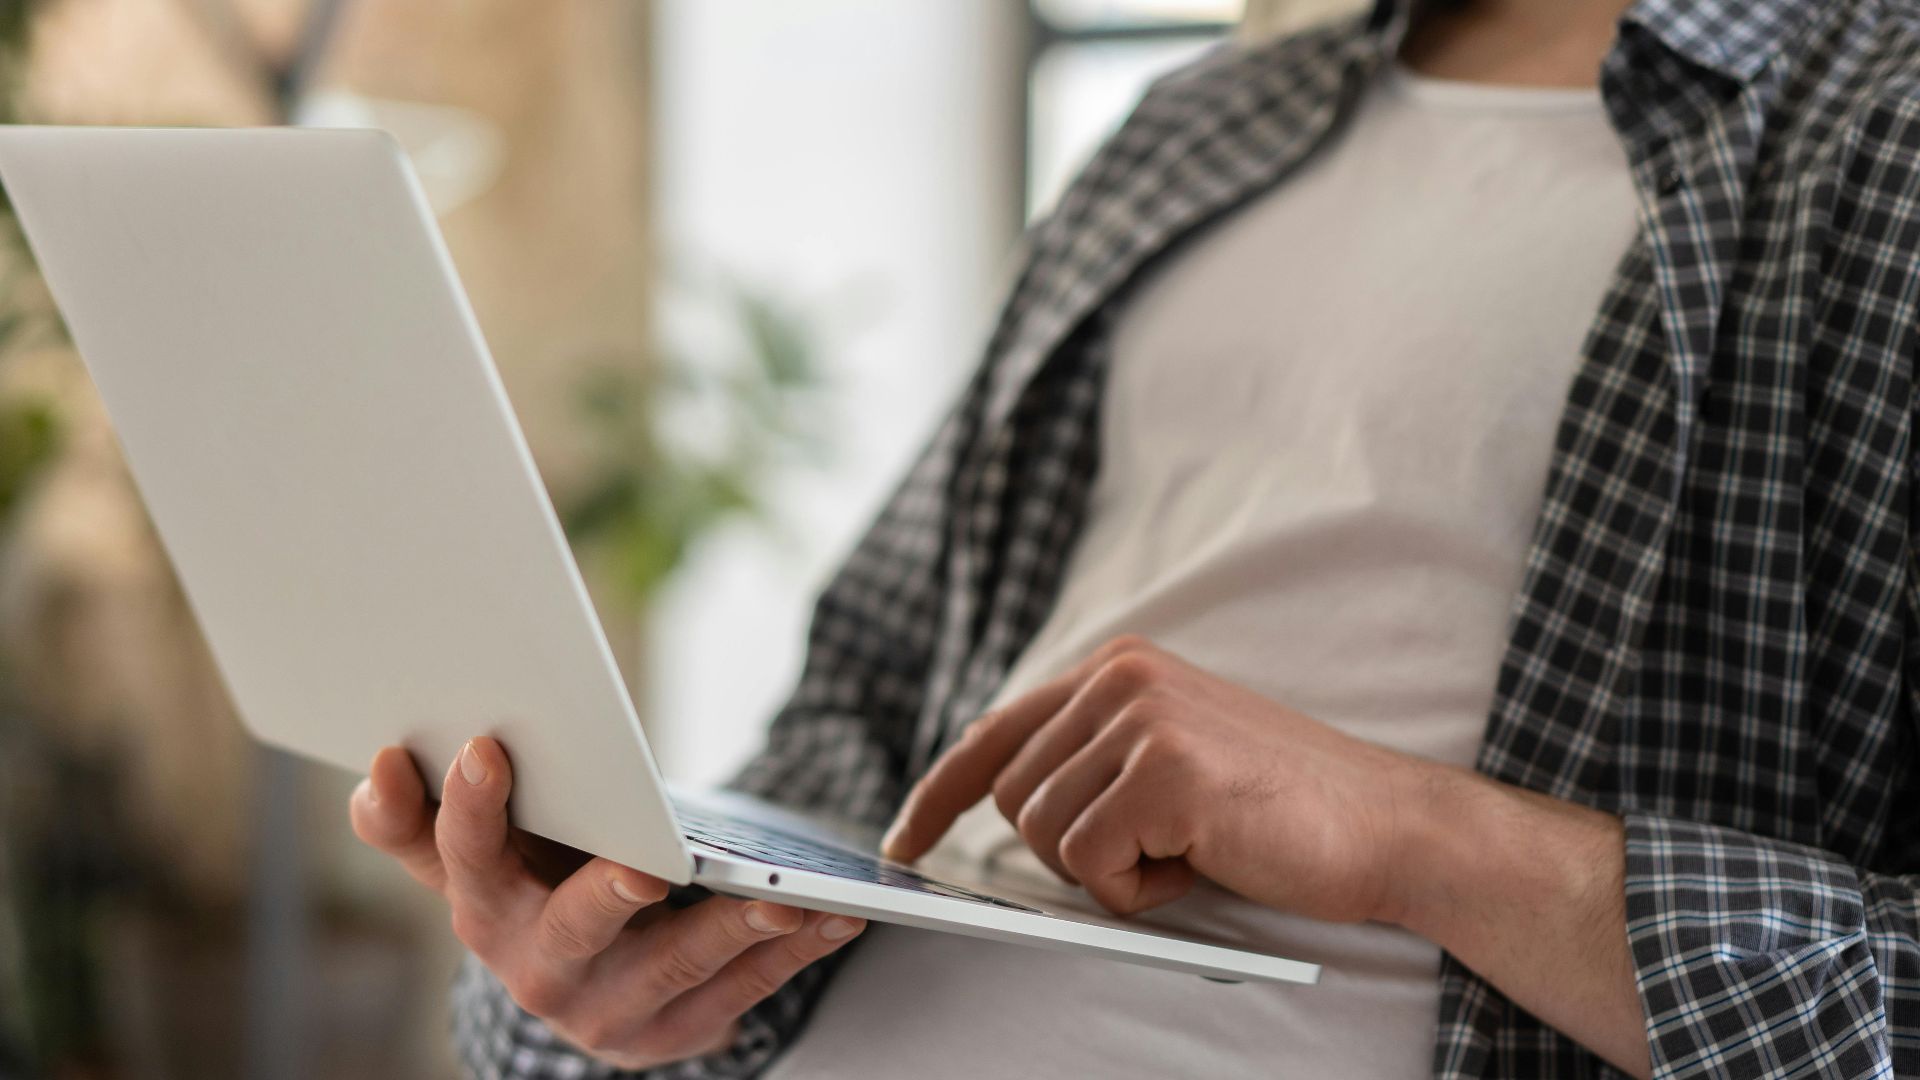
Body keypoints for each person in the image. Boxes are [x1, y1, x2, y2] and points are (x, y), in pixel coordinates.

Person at [348, 0, 1920, 1075]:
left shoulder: (1879, 134)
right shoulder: (1192, 127)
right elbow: (848, 736)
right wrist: (605, 973)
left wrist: (1415, 840)